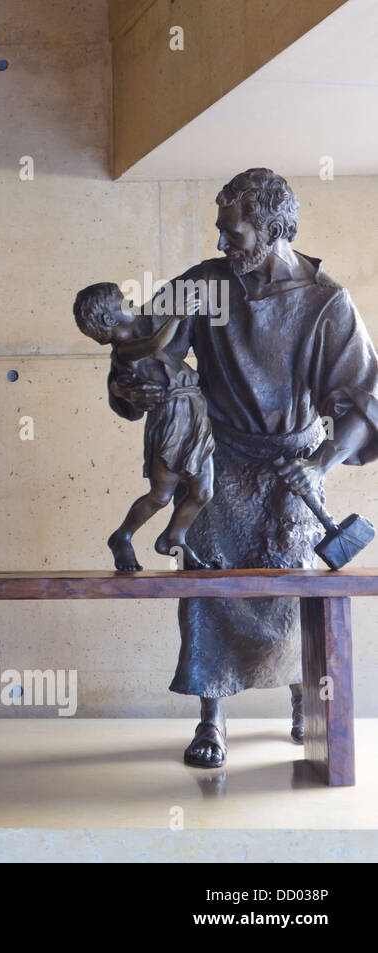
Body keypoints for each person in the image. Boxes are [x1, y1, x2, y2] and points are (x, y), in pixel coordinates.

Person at [108, 168, 378, 768]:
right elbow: (145, 347)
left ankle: (306, 698)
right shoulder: (203, 285)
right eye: (220, 230)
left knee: (291, 590)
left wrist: (322, 463)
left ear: (275, 229)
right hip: (219, 460)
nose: (224, 242)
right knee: (206, 585)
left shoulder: (326, 300)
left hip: (293, 468)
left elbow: (362, 399)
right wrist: (138, 381)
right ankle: (212, 717)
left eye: (235, 231)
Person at [74, 282, 215, 571]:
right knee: (161, 495)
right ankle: (122, 536)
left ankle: (175, 538)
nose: (132, 305)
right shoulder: (126, 351)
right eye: (124, 303)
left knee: (203, 492)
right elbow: (154, 345)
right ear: (108, 320)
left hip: (195, 413)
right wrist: (177, 316)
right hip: (170, 419)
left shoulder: (147, 328)